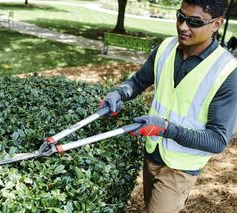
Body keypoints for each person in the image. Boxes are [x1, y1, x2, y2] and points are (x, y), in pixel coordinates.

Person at [100, 0, 237, 212]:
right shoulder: (165, 47)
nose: (183, 26)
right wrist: (119, 93)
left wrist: (166, 129)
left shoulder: (228, 72)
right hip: (152, 152)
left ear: (217, 24)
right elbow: (138, 82)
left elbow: (218, 140)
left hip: (181, 168)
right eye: (180, 16)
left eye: (194, 22)